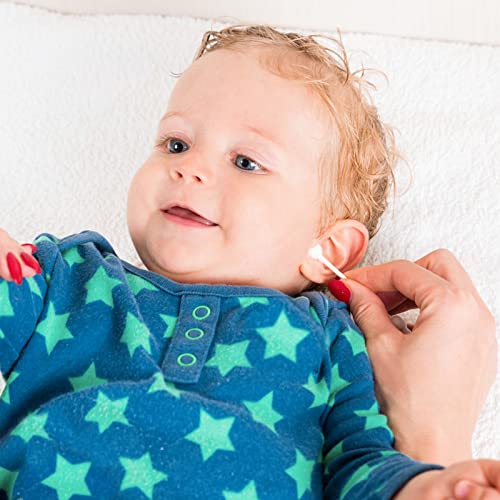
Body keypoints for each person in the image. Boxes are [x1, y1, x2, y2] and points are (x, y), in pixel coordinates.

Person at [0, 23, 497, 499]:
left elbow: (362, 465)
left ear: (327, 249)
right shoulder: (71, 277)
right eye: (177, 143)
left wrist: (425, 486)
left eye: (245, 162)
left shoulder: (331, 339)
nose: (189, 167)